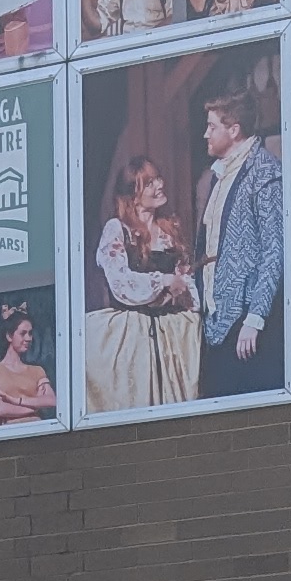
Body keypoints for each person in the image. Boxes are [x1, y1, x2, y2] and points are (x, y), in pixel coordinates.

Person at [84, 153, 200, 415]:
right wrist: (164, 281)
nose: (159, 185)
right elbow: (121, 281)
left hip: (171, 334)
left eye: (157, 178)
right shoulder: (117, 229)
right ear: (133, 195)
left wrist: (184, 291)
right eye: (148, 183)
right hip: (132, 334)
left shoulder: (168, 230)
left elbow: (185, 276)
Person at [195, 79, 287, 398]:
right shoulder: (218, 175)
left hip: (244, 324)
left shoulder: (263, 172)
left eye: (211, 126)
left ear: (233, 130)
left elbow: (275, 251)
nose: (205, 134)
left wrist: (256, 316)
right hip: (216, 321)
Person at [0, 299, 56, 423]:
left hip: (38, 431)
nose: (28, 338)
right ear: (9, 336)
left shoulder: (37, 371)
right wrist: (34, 406)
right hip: (10, 434)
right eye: (23, 333)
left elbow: (51, 400)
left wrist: (16, 401)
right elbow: (0, 409)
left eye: (30, 333)